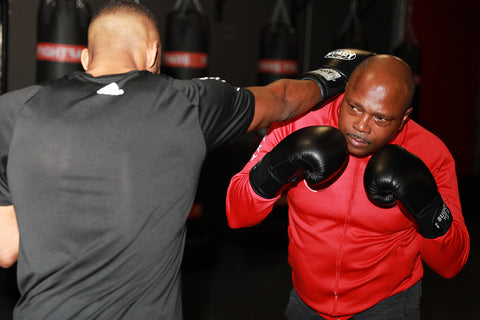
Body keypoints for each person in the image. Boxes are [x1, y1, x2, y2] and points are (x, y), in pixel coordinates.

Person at [0, 1, 374, 319]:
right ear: (153, 53)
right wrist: (337, 72)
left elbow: (6, 249)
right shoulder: (190, 103)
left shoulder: (11, 113)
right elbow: (282, 99)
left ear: (84, 57)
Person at [226, 54, 470, 320]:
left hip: (387, 305)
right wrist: (274, 169)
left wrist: (426, 205)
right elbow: (237, 214)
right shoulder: (299, 124)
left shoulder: (430, 152)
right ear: (344, 94)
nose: (361, 126)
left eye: (381, 119)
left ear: (403, 118)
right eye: (354, 107)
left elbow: (451, 264)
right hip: (305, 302)